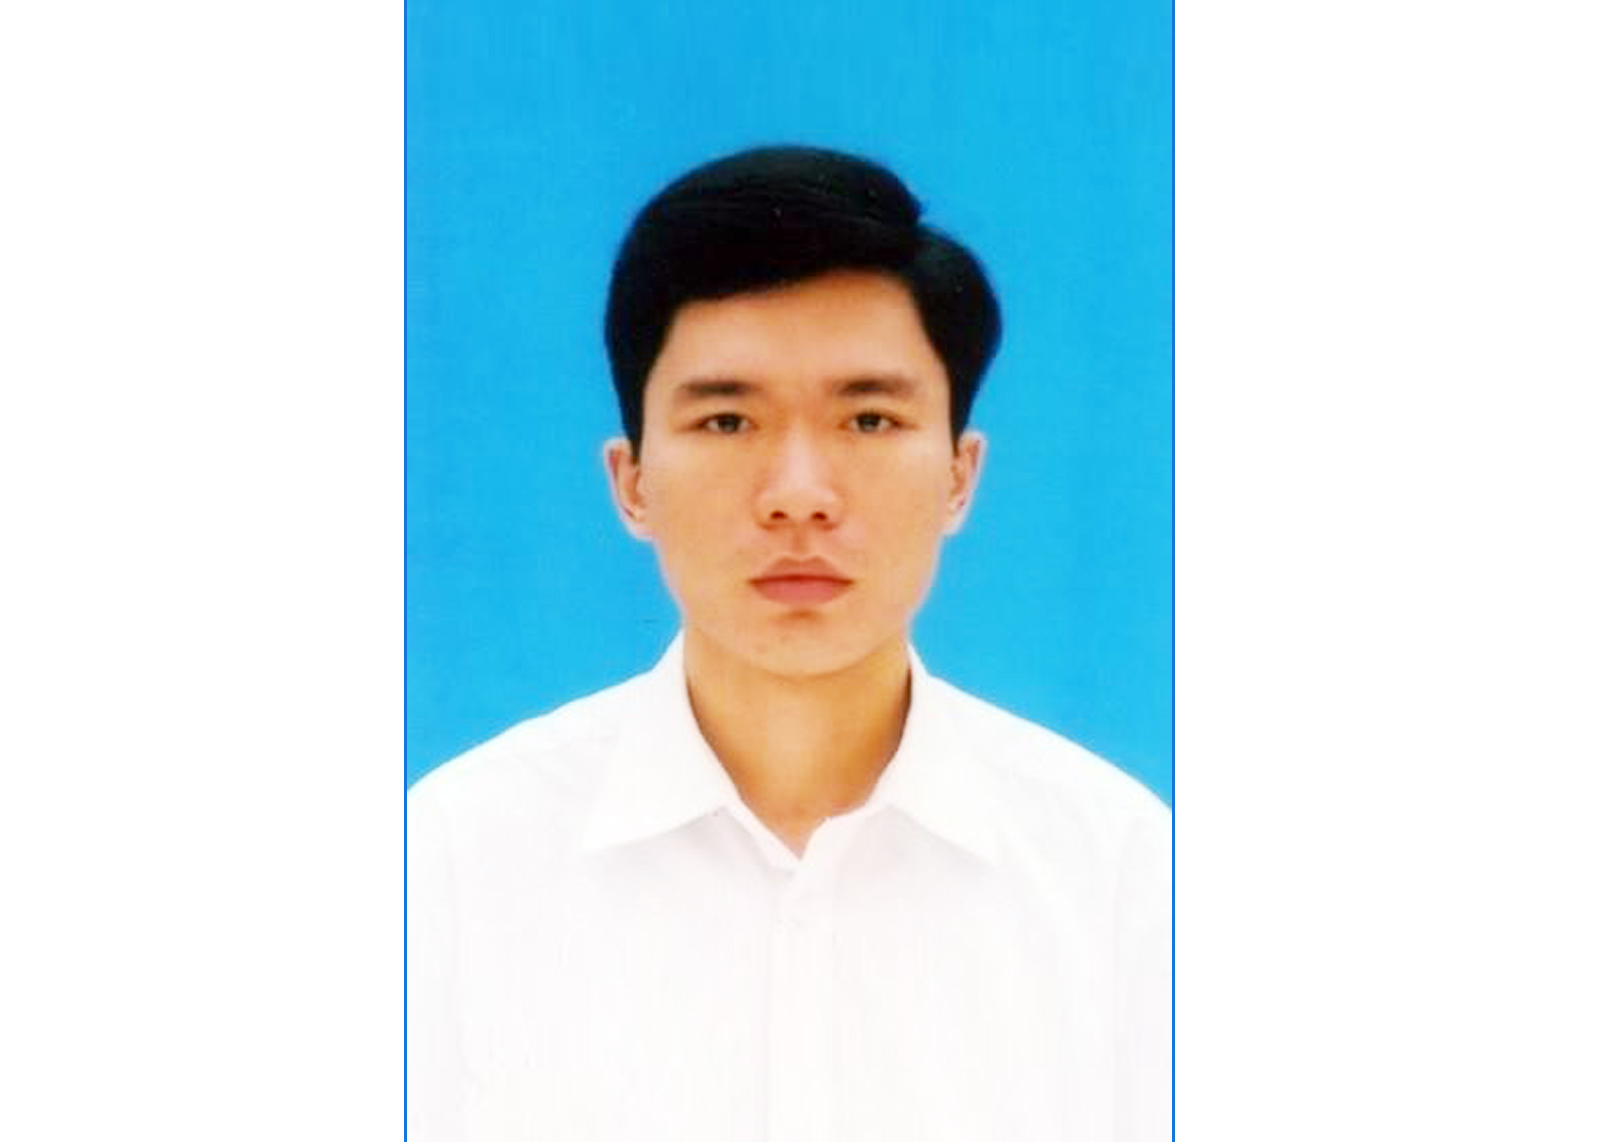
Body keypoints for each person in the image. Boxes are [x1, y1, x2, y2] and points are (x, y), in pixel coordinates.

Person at [407, 145, 1171, 1141]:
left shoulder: (1116, 867)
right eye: (728, 420)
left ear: (958, 474)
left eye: (869, 418)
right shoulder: (453, 857)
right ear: (631, 481)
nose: (799, 494)